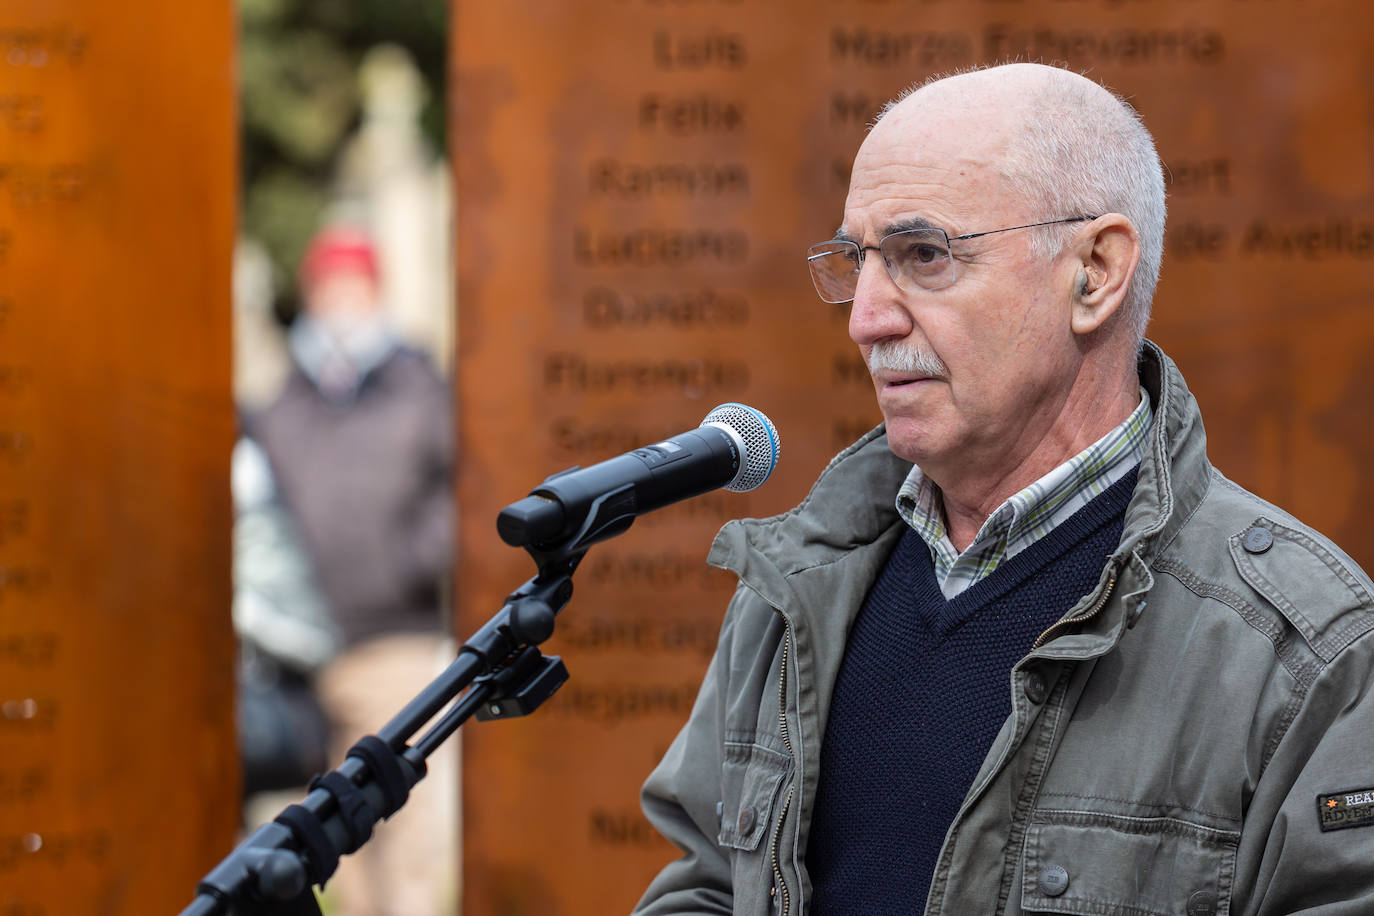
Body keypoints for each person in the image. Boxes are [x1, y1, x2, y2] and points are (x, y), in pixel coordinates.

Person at [634, 63, 1374, 915]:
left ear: (1094, 272)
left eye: (924, 255)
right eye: (857, 261)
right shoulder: (798, 584)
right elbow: (704, 886)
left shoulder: (1304, 649)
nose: (866, 317)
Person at [248, 223, 456, 916]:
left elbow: (459, 492)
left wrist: (410, 562)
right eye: (327, 286)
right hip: (307, 657)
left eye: (352, 285)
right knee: (337, 856)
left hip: (394, 644)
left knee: (406, 842)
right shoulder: (286, 399)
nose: (339, 302)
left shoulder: (419, 387)